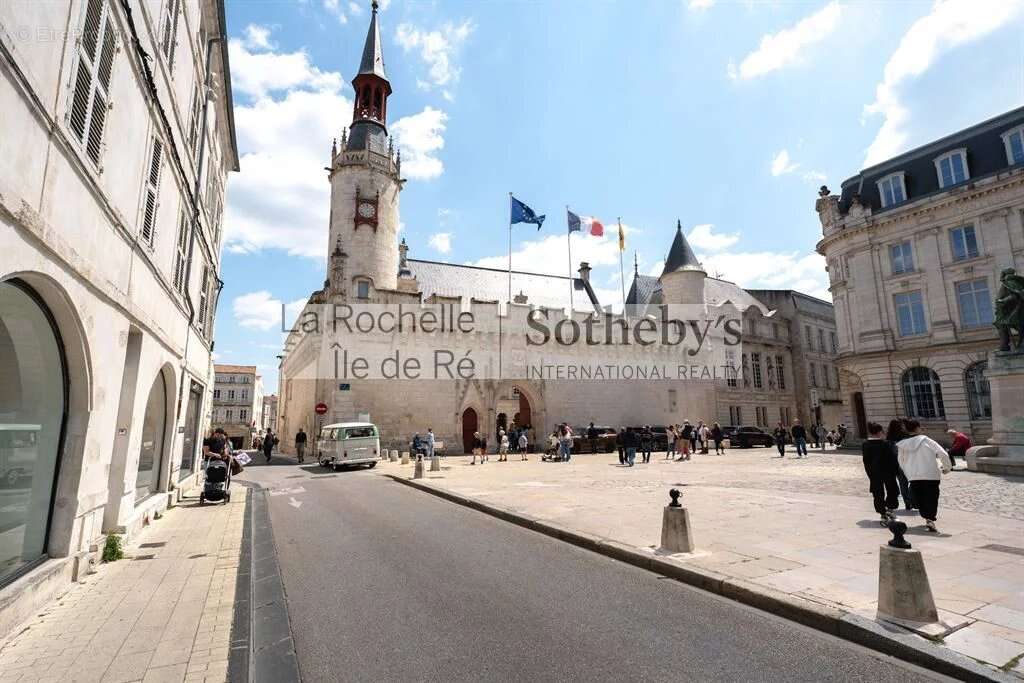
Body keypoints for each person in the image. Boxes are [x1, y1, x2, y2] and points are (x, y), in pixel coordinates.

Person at [897, 419, 951, 533]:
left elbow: (900, 461)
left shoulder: (903, 445)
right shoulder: (927, 441)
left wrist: (908, 472)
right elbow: (943, 454)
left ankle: (926, 516)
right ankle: (930, 519)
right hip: (931, 474)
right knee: (931, 497)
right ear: (917, 428)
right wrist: (947, 467)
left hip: (914, 475)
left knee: (920, 497)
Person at [862, 422, 900, 526]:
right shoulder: (885, 444)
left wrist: (869, 473)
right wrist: (897, 471)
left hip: (874, 473)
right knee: (892, 490)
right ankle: (890, 509)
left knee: (878, 493)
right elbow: (892, 459)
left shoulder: (866, 444)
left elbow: (866, 461)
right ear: (879, 432)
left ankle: (882, 512)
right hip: (888, 472)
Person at [886, 419, 914, 510]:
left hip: (897, 464)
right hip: (908, 462)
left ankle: (907, 503)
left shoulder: (889, 437)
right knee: (913, 482)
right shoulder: (906, 436)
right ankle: (912, 500)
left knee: (903, 483)